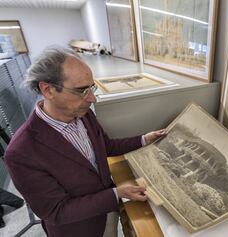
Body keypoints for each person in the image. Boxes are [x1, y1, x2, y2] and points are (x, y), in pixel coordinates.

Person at [4, 46, 165, 237]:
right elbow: (57, 212)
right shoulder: (21, 153)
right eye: (82, 90)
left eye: (92, 88)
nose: (92, 98)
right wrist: (116, 194)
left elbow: (105, 146)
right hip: (79, 229)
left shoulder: (83, 113)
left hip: (107, 213)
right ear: (47, 90)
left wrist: (144, 139)